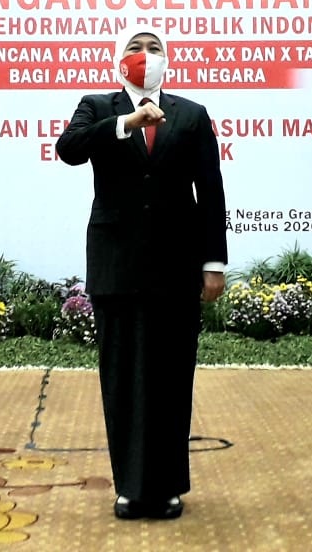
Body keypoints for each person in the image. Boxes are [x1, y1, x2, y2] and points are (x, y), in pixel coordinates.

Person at [56, 26, 228, 519]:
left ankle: (168, 484)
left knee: (172, 377)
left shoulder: (191, 115)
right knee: (123, 377)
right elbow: (69, 149)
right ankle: (130, 486)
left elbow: (210, 191)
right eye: (136, 47)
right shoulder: (97, 106)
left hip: (177, 266)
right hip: (117, 265)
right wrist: (127, 122)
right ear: (120, 61)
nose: (145, 55)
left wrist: (212, 263)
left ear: (167, 61)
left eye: (154, 49)